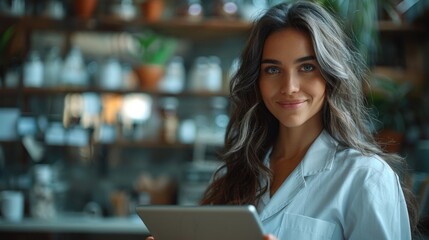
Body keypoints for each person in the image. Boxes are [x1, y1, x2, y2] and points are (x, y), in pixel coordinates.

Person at [146, 1, 418, 240]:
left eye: (307, 67)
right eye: (273, 69)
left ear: (330, 76)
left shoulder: (366, 177)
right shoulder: (242, 170)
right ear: (257, 80)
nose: (289, 86)